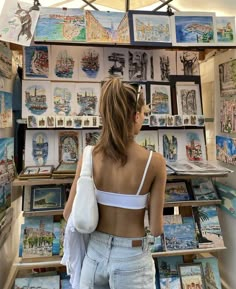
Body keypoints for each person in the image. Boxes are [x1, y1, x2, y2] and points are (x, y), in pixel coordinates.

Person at [63, 76, 166, 289]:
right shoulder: (154, 162)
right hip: (132, 260)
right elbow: (156, 229)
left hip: (94, 257)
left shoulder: (89, 156)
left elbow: (68, 214)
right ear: (135, 116)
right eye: (144, 114)